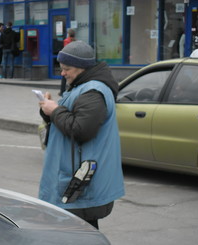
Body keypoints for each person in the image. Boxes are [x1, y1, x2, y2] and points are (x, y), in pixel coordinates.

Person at [38, 41, 125, 230]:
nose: (62, 73)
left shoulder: (93, 91)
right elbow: (71, 119)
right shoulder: (84, 86)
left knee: (79, 235)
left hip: (81, 186)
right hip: (78, 181)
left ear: (82, 68)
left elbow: (80, 130)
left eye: (66, 69)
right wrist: (49, 111)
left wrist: (55, 111)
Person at [59, 28, 76, 96]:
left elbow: (65, 50)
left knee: (64, 76)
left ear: (68, 34)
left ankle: (62, 91)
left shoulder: (66, 41)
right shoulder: (75, 41)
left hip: (67, 61)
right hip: (74, 61)